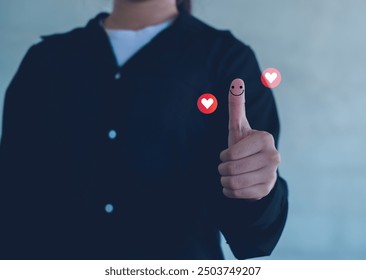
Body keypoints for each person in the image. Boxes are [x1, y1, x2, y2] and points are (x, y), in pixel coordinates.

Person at [0, 0, 288, 259]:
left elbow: (251, 237)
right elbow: (14, 193)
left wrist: (257, 191)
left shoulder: (226, 59)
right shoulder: (46, 59)